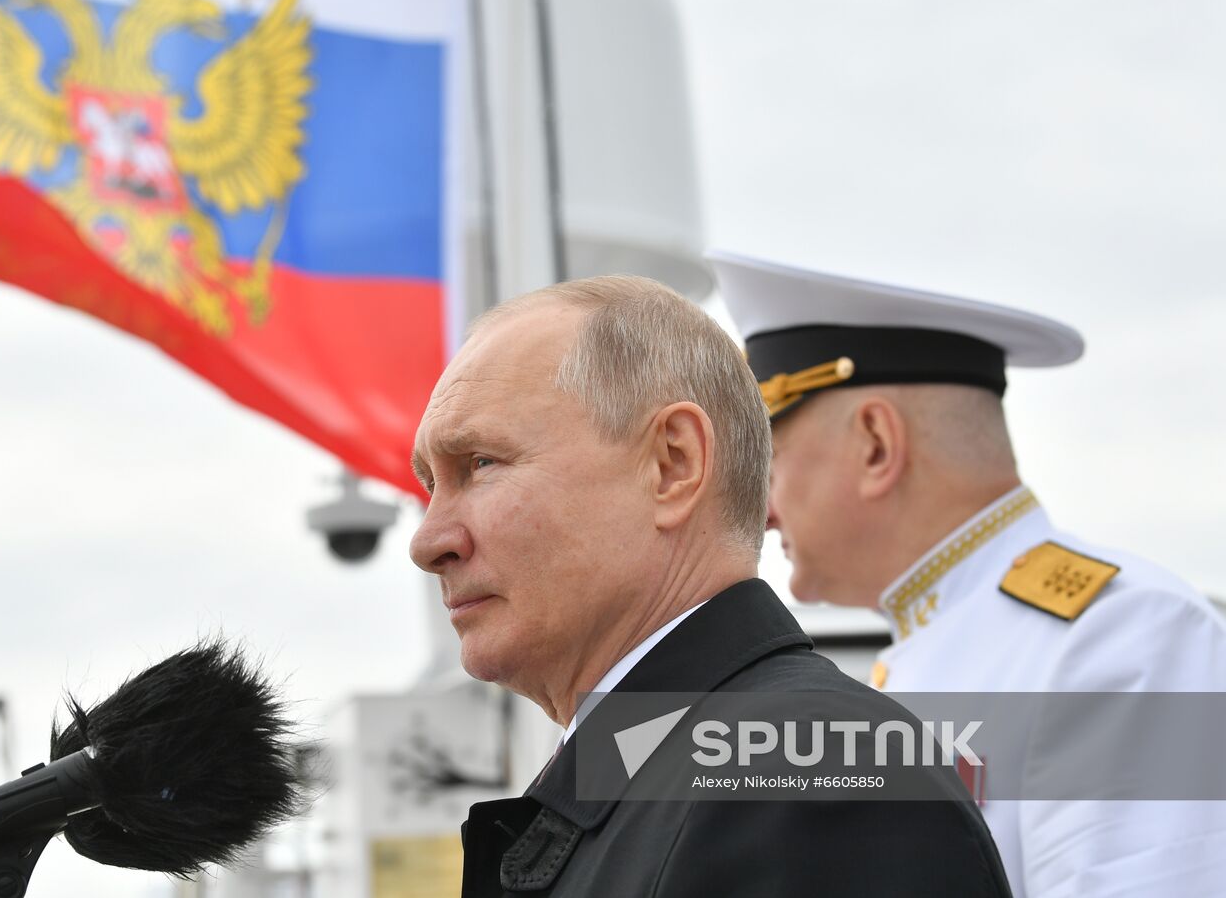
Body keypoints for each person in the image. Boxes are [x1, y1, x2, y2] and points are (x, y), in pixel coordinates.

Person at [410, 276, 1012, 897]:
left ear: (674, 464)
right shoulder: (692, 773)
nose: (428, 543)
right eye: (431, 484)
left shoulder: (807, 778)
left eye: (479, 464)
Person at [713, 250, 1226, 898]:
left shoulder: (1125, 637)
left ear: (876, 443)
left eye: (771, 460)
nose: (761, 509)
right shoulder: (946, 644)